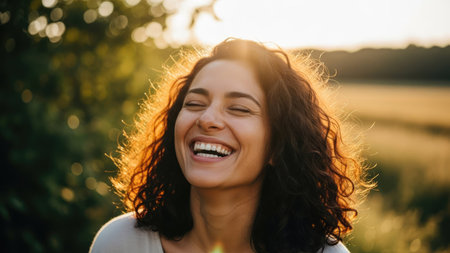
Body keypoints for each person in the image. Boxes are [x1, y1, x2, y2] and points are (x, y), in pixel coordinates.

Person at [90, 39, 371, 253]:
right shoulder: (120, 243)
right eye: (195, 104)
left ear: (278, 146)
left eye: (238, 108)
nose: (207, 119)